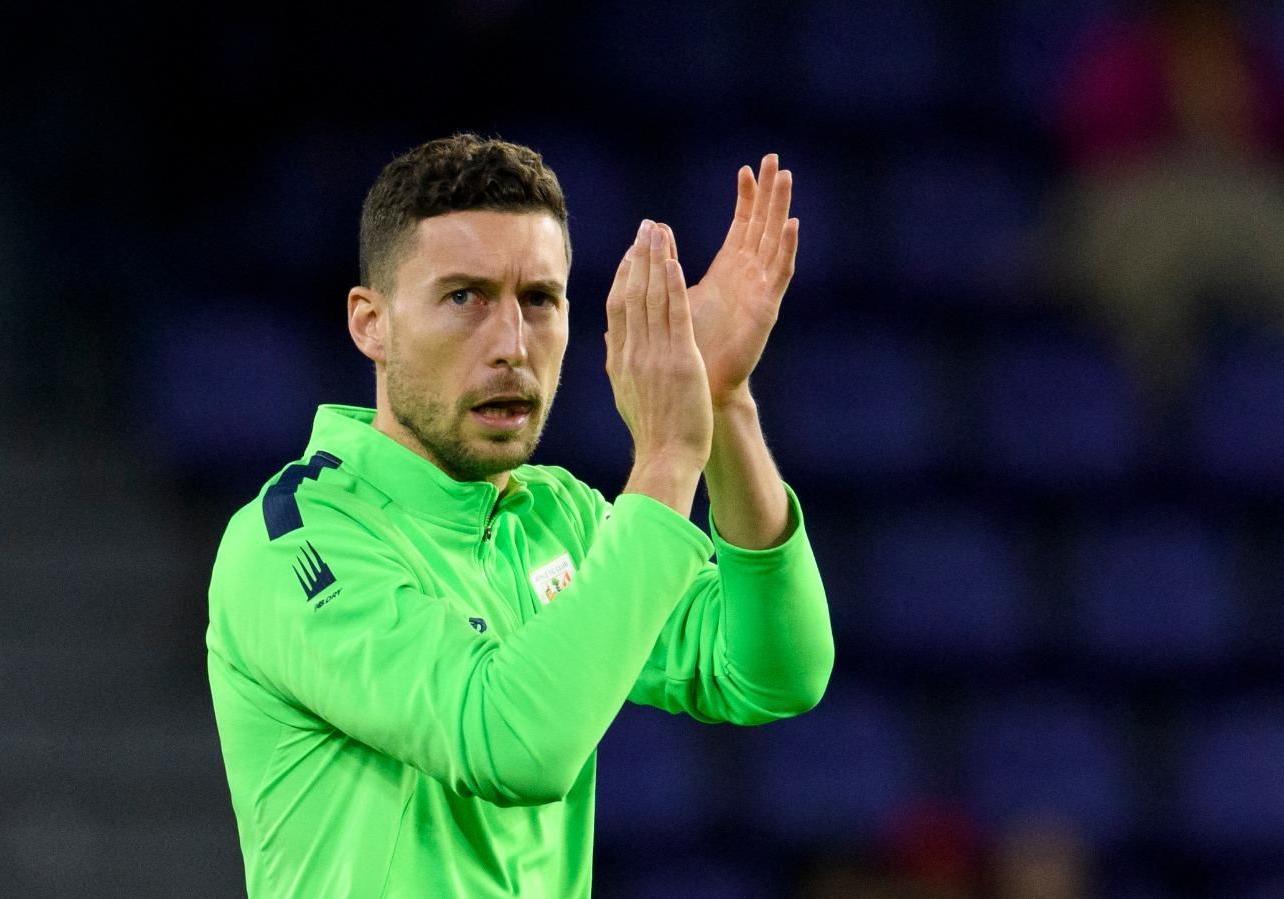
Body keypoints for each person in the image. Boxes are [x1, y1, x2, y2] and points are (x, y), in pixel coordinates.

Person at [205, 134, 835, 897]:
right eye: (464, 297)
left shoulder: (557, 517)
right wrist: (669, 459)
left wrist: (722, 401)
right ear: (372, 323)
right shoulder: (294, 540)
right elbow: (509, 744)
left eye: (539, 300)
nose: (511, 344)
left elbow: (775, 670)